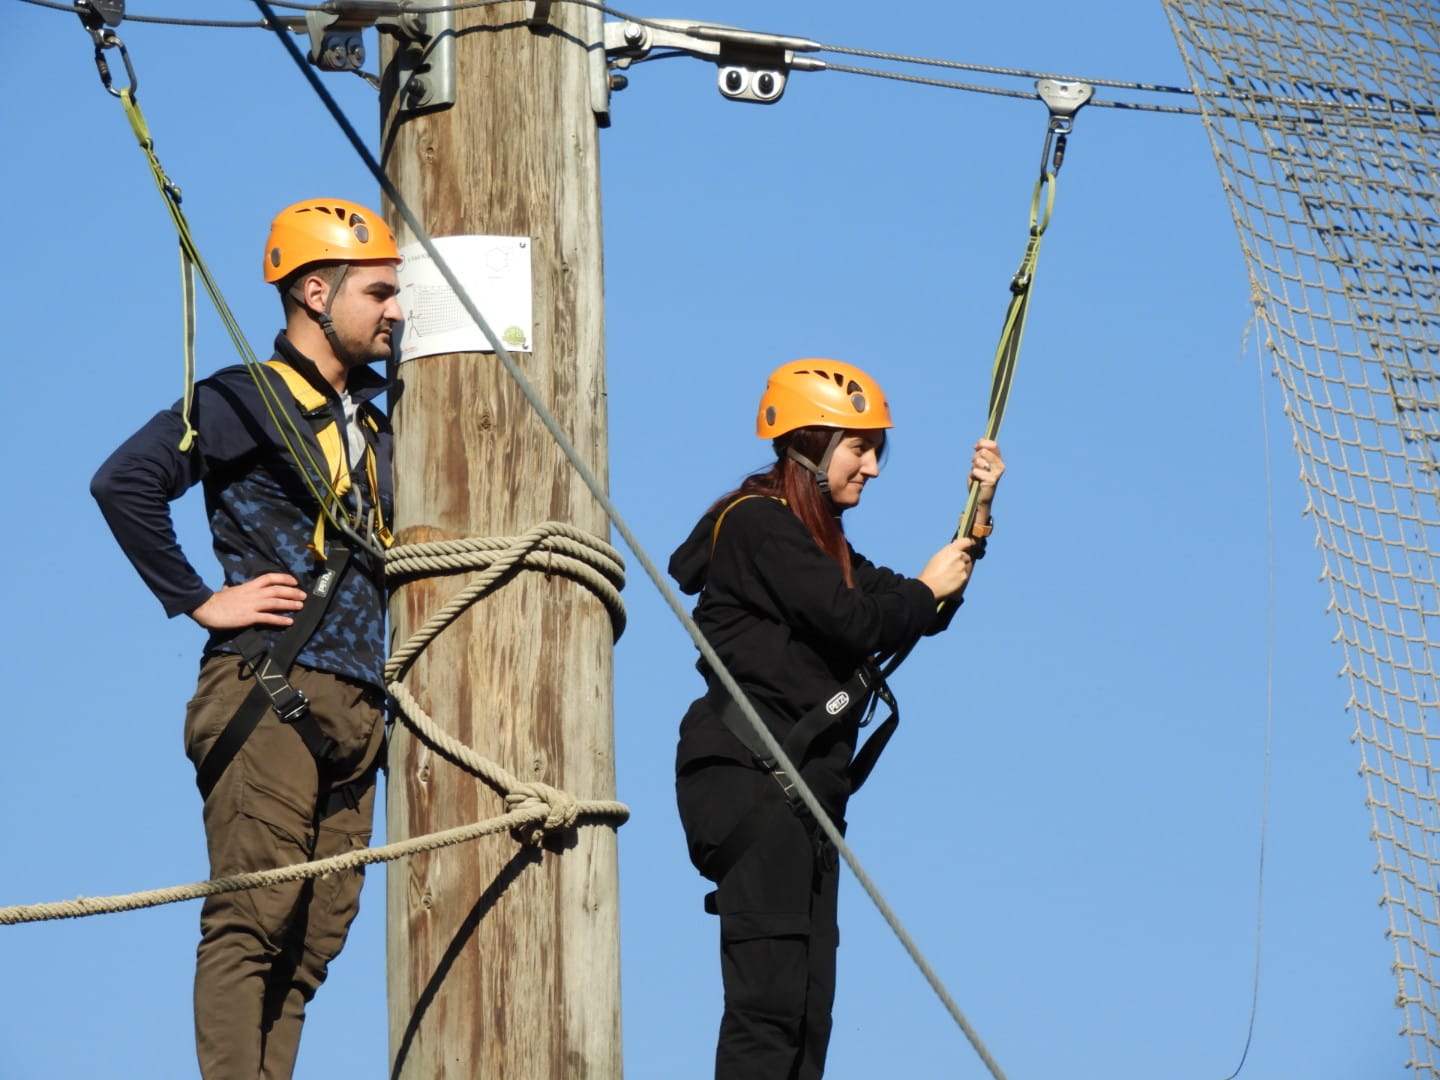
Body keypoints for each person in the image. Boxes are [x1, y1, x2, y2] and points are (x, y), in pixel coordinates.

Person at [91, 198, 402, 1079]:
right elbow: (126, 482)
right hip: (271, 688)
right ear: (314, 291)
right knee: (253, 920)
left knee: (312, 943)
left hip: (358, 706)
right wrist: (198, 598)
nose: (396, 310)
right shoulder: (245, 398)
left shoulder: (385, 419)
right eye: (378, 291)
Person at [668, 359, 1004, 1079]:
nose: (874, 467)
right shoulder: (759, 527)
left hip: (802, 794)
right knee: (769, 1009)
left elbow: (907, 608)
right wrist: (922, 591)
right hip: (752, 780)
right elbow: (857, 618)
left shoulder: (824, 547)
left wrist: (971, 532)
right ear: (810, 445)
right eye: (859, 447)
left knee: (808, 1013)